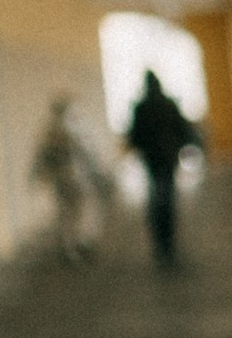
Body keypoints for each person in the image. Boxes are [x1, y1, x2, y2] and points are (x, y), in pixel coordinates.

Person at [124, 69, 202, 268]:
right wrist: (179, 146)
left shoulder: (140, 108)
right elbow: (184, 129)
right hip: (168, 159)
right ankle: (169, 241)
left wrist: (140, 148)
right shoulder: (169, 104)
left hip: (151, 160)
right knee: (168, 197)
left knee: (155, 197)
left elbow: (134, 135)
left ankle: (159, 242)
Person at [29, 91, 110, 264]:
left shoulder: (49, 130)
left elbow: (41, 156)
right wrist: (98, 172)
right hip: (77, 176)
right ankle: (81, 242)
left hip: (60, 178)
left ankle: (69, 247)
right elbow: (88, 153)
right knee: (82, 209)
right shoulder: (75, 127)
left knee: (65, 213)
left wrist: (37, 175)